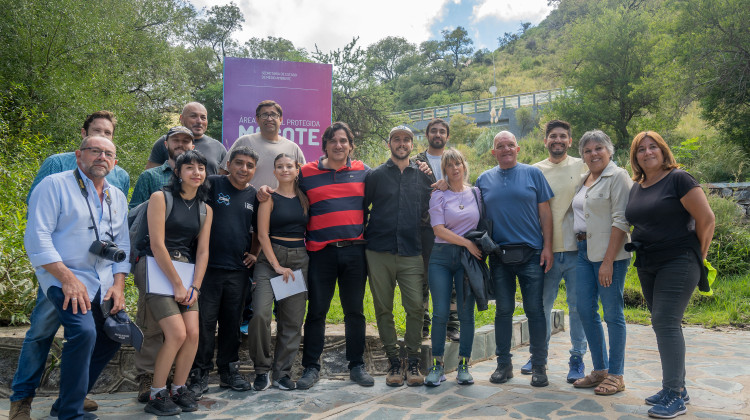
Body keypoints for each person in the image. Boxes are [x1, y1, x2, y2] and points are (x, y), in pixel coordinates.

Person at [11, 111, 126, 419]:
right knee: (63, 332)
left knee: (117, 333)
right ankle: (47, 408)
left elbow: (122, 243)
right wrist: (66, 278)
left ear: (115, 161)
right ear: (79, 153)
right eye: (94, 150)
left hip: (101, 279)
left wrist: (118, 284)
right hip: (61, 276)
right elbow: (38, 236)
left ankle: (68, 399)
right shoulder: (54, 183)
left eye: (108, 152)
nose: (102, 156)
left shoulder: (117, 193)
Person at [625, 131, 714, 419]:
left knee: (665, 322)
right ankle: (677, 387)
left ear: (664, 151)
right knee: (662, 323)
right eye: (641, 149)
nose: (647, 152)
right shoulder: (639, 185)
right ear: (635, 156)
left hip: (679, 259)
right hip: (648, 261)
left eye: (653, 147)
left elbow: (707, 218)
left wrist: (698, 256)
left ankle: (674, 395)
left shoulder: (679, 179)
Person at [295, 122, 374, 390]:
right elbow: (285, 192)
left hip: (355, 252)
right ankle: (310, 367)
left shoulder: (363, 172)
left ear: (351, 145)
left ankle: (356, 365)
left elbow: (389, 183)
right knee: (316, 311)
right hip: (320, 253)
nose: (338, 145)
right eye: (333, 141)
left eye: (343, 141)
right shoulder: (305, 173)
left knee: (355, 311)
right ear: (325, 145)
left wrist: (422, 169)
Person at [476, 130, 553, 388]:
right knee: (504, 311)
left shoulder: (534, 174)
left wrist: (548, 247)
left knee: (535, 311)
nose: (506, 149)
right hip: (500, 256)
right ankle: (503, 364)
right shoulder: (483, 179)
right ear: (493, 152)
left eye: (510, 145)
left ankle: (539, 365)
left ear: (518, 149)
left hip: (531, 254)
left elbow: (546, 215)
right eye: (500, 146)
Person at [139, 150, 213, 416]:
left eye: (201, 168)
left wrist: (195, 285)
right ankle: (157, 394)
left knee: (193, 333)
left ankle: (178, 388)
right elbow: (157, 245)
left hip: (186, 272)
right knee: (176, 333)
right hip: (157, 268)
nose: (196, 172)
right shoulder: (161, 198)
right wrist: (178, 285)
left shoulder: (206, 209)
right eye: (190, 167)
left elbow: (202, 251)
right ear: (178, 172)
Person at [130, 126, 195, 402]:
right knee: (152, 321)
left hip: (184, 262)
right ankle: (147, 379)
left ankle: (172, 380)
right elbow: (132, 214)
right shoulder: (151, 177)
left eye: (186, 140)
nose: (181, 144)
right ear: (165, 143)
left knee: (182, 328)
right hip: (152, 257)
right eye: (176, 140)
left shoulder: (198, 178)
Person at [188, 147, 259, 397]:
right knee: (204, 324)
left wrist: (255, 253)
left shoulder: (255, 195)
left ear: (254, 170)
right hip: (207, 270)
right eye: (239, 163)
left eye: (250, 165)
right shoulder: (213, 184)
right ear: (228, 164)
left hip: (238, 271)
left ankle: (229, 371)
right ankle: (199, 374)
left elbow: (258, 230)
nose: (244, 169)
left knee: (232, 323)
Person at [364, 125, 432, 387]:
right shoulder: (376, 175)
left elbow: (436, 201)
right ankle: (393, 360)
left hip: (411, 250)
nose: (401, 143)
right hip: (378, 250)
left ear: (412, 145)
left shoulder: (423, 175)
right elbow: (363, 208)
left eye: (406, 140)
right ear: (389, 143)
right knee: (383, 308)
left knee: (415, 307)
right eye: (396, 139)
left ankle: (413, 361)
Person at [567, 130, 632, 397]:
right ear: (582, 155)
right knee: (584, 310)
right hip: (582, 251)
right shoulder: (585, 179)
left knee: (612, 314)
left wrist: (608, 261)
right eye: (587, 150)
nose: (593, 154)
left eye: (598, 148)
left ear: (609, 150)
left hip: (610, 254)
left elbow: (621, 220)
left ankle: (616, 375)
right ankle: (600, 369)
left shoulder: (618, 176)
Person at [532, 119, 589, 383]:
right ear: (545, 141)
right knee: (541, 307)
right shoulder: (533, 170)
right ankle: (538, 354)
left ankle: (577, 357)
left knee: (578, 307)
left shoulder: (583, 165)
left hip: (578, 251)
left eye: (563, 136)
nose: (557, 140)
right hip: (546, 252)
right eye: (553, 136)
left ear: (569, 140)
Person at [248, 153, 309, 391]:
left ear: (297, 170)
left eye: (289, 166)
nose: (284, 170)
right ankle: (261, 370)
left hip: (296, 262)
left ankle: (282, 373)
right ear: (274, 172)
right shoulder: (268, 198)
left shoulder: (305, 198)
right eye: (279, 166)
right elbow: (262, 235)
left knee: (291, 321)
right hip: (269, 262)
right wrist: (276, 266)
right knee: (261, 315)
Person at [423, 148, 480, 387]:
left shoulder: (476, 193)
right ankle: (437, 367)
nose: (455, 168)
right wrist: (467, 242)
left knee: (466, 313)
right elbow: (438, 229)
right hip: (442, 257)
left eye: (458, 164)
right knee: (440, 313)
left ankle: (464, 365)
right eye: (449, 165)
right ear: (444, 170)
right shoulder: (438, 195)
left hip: (467, 260)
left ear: (464, 167)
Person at [413, 118, 460, 341]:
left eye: (442, 131)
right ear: (427, 135)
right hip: (423, 228)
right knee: (421, 279)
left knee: (450, 280)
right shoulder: (416, 161)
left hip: (452, 228)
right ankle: (422, 325)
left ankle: (453, 325)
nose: (438, 135)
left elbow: (464, 185)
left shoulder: (454, 159)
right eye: (434, 131)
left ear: (447, 136)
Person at [221, 100, 305, 189]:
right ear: (257, 119)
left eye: (273, 115)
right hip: (246, 200)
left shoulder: (293, 148)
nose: (269, 119)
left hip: (280, 202)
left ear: (280, 119)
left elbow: (303, 179)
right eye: (264, 115)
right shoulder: (244, 141)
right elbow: (223, 172)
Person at [145, 102, 226, 175]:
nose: (199, 121)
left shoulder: (218, 147)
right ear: (182, 119)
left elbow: (224, 183)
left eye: (203, 117)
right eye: (193, 116)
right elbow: (150, 178)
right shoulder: (165, 141)